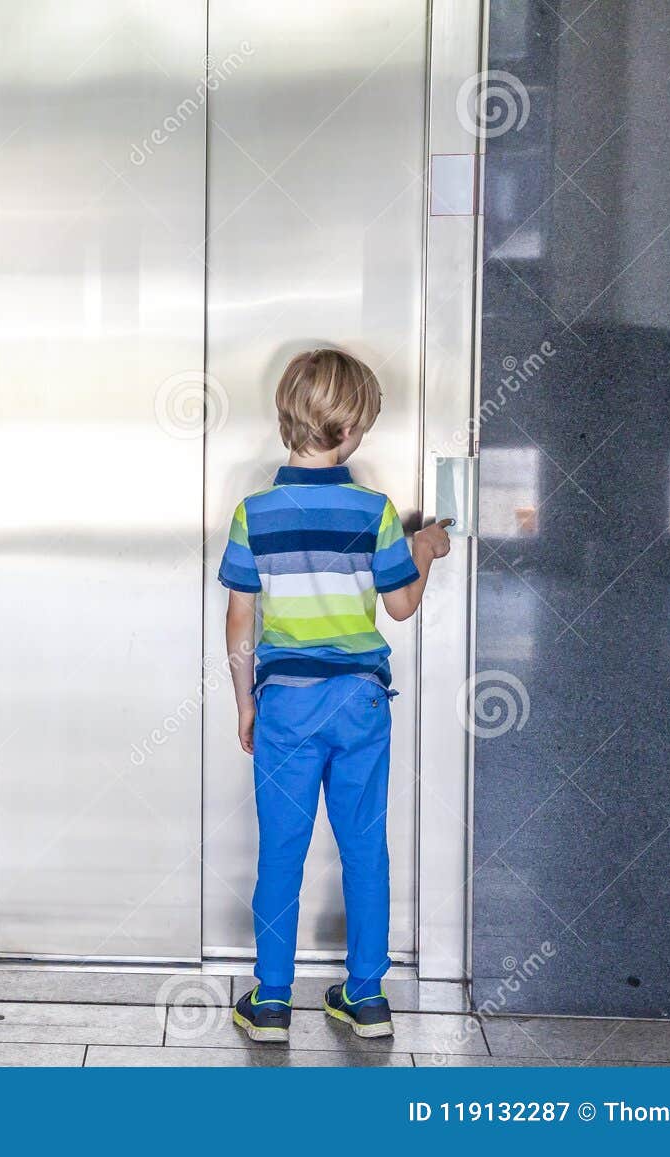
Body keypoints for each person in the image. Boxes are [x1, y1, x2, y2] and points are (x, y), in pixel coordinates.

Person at [220, 348, 452, 1042]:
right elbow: (402, 606)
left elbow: (239, 621)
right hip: (359, 700)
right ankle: (367, 995)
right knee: (364, 846)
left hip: (286, 702)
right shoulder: (374, 512)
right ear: (350, 432)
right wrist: (427, 550)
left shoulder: (253, 514)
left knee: (281, 849)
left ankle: (270, 1001)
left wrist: (246, 703)